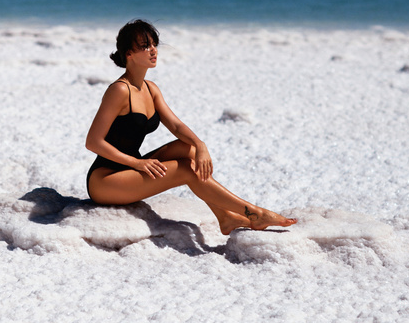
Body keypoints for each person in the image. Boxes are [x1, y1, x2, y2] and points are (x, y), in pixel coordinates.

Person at [85, 19, 297, 235]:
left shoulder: (151, 89)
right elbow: (93, 142)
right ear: (128, 53)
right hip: (105, 180)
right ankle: (255, 213)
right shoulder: (120, 90)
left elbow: (176, 126)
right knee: (186, 169)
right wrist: (137, 163)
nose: (153, 51)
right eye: (145, 46)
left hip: (132, 169)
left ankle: (225, 217)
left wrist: (200, 144)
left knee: (190, 150)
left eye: (154, 45)